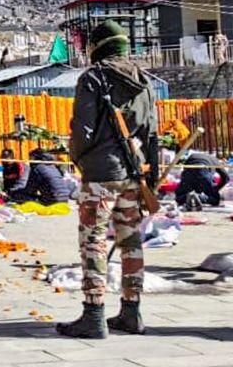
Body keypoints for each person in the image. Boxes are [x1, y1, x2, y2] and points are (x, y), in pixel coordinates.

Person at [58, 19, 158, 339]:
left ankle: (94, 313)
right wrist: (150, 178)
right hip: (133, 173)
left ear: (98, 48)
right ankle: (132, 311)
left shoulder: (93, 77)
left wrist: (79, 160)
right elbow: (152, 134)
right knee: (131, 241)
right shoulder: (145, 81)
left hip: (101, 175)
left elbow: (82, 131)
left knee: (94, 241)